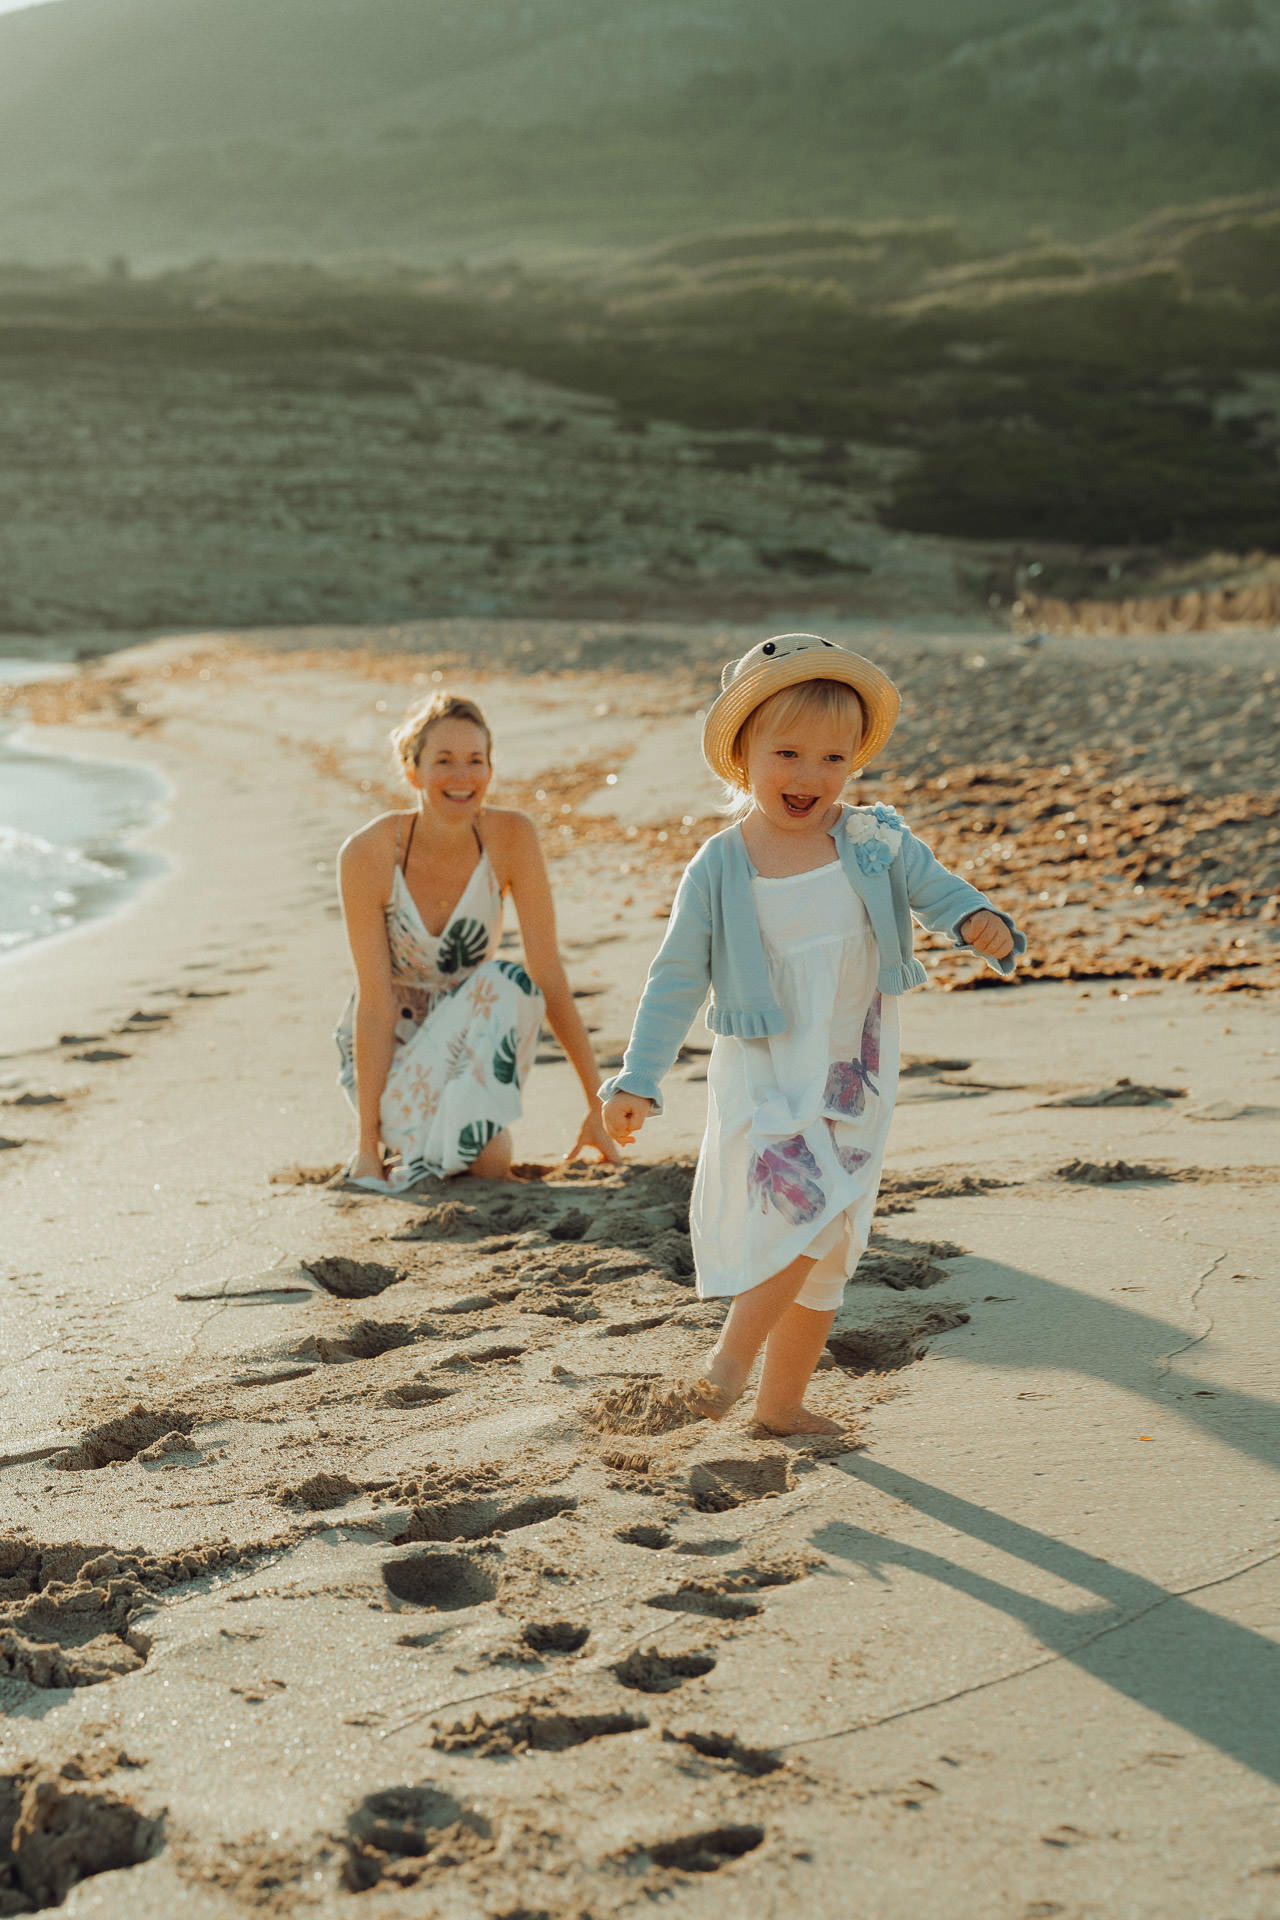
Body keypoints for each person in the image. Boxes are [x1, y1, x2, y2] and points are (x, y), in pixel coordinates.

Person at [600, 633, 1026, 1435]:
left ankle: (782, 1403)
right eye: (788, 754)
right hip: (766, 1072)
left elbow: (939, 891)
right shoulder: (721, 864)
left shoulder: (873, 840)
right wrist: (638, 1077)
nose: (810, 776)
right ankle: (728, 1365)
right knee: (814, 1210)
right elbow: (676, 978)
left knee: (835, 1240)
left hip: (854, 1071)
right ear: (742, 756)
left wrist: (976, 919)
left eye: (833, 758)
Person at [336, 690, 619, 1188]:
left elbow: (548, 975)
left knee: (491, 1156)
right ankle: (402, 1146)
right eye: (443, 760)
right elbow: (375, 1005)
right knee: (487, 1158)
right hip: (394, 1050)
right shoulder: (368, 854)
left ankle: (426, 1152)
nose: (462, 776)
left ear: (490, 769)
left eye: (475, 760)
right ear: (412, 771)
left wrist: (598, 1106)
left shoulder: (512, 838)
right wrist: (365, 1148)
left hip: (471, 1040)